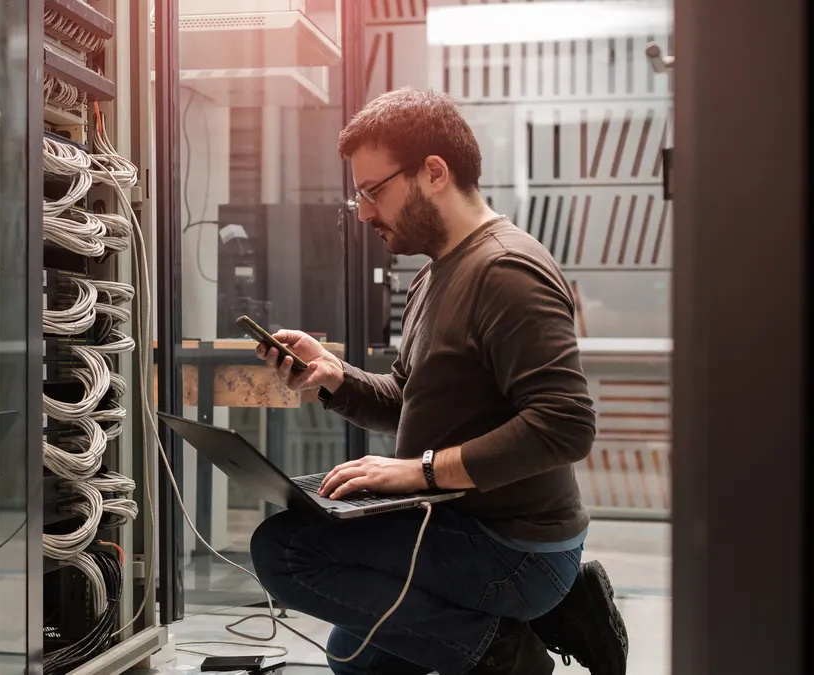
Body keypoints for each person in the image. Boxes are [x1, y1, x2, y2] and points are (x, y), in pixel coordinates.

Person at [250, 88, 629, 675]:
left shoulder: (505, 270)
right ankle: (546, 618)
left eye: (373, 191)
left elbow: (566, 426)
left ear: (433, 172)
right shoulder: (433, 276)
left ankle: (507, 653)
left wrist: (418, 472)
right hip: (462, 521)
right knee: (353, 657)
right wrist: (333, 377)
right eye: (359, 196)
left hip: (516, 546)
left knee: (286, 549)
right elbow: (409, 399)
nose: (365, 213)